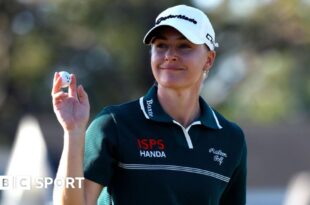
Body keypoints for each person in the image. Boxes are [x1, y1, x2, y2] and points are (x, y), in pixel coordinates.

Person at [52, 4, 247, 205]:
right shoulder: (113, 125)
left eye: (184, 46)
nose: (169, 55)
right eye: (161, 45)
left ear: (209, 59)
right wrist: (73, 133)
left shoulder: (231, 139)